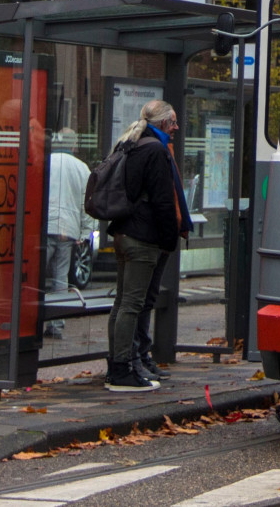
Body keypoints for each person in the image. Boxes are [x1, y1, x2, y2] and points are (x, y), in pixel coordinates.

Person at [103, 100, 191, 392]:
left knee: (122, 302)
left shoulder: (131, 142)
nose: (177, 127)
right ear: (164, 123)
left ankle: (117, 365)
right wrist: (168, 240)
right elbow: (164, 201)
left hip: (124, 233)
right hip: (143, 238)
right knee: (132, 303)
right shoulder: (155, 150)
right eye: (174, 122)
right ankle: (123, 370)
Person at [44, 139, 93, 339]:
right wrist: (85, 232)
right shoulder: (82, 168)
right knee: (60, 277)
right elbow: (87, 203)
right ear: (74, 146)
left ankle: (28, 325)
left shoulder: (45, 161)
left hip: (44, 226)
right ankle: (56, 324)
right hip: (68, 229)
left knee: (35, 277)